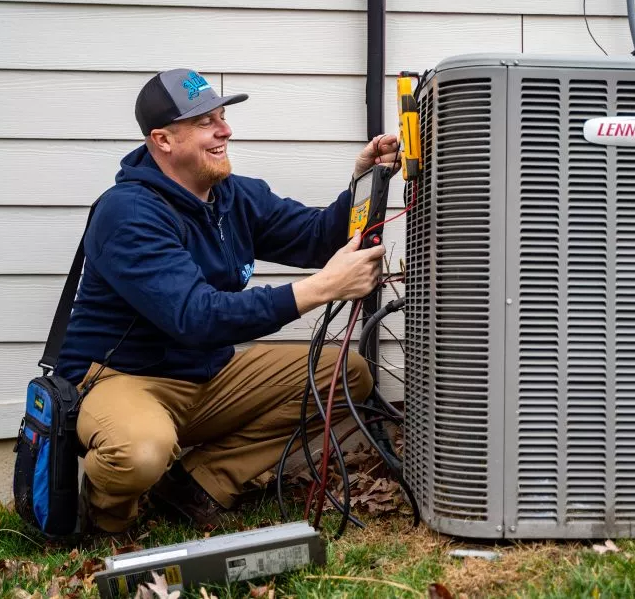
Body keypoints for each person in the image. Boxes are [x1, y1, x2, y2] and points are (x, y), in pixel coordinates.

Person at [55, 68, 401, 533]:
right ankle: (105, 518)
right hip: (123, 379)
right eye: (205, 122)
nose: (225, 130)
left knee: (345, 374)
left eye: (222, 116)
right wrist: (324, 287)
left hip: (207, 375)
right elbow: (196, 317)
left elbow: (316, 238)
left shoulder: (232, 196)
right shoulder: (128, 213)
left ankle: (196, 483)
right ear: (163, 140)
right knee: (140, 450)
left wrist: (362, 182)